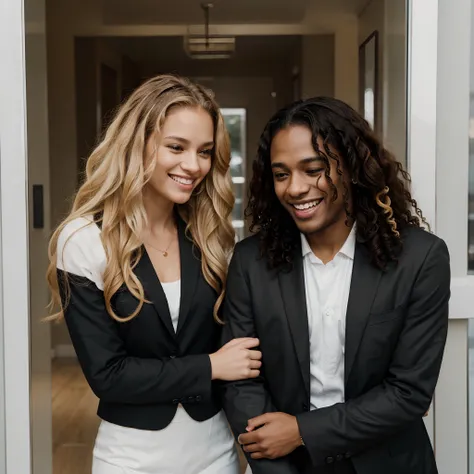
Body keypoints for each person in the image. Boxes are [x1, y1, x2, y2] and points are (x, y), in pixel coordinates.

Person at [221, 96, 450, 474]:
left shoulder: (419, 259)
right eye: (281, 174)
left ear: (353, 168)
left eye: (314, 169)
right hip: (286, 466)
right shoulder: (251, 262)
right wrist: (276, 460)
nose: (295, 188)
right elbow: (242, 383)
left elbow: (409, 393)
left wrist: (301, 430)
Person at [46, 74, 262, 474]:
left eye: (204, 151)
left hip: (216, 450)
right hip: (130, 458)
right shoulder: (84, 241)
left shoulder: (212, 237)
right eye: (176, 147)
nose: (193, 165)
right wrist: (210, 366)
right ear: (137, 143)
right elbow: (109, 376)